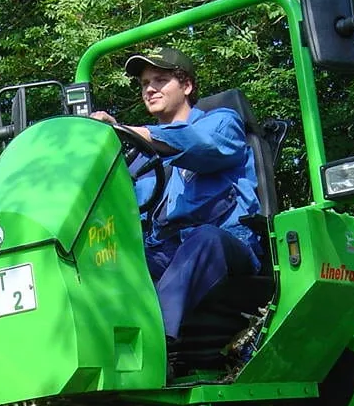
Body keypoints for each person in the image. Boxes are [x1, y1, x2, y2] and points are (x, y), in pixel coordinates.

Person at [91, 48, 261, 340]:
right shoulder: (138, 157)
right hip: (164, 250)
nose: (150, 89)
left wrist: (125, 130)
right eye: (145, 83)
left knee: (204, 237)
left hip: (227, 244)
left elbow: (199, 145)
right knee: (105, 258)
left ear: (187, 86)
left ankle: (156, 343)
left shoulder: (222, 122)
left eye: (160, 80)